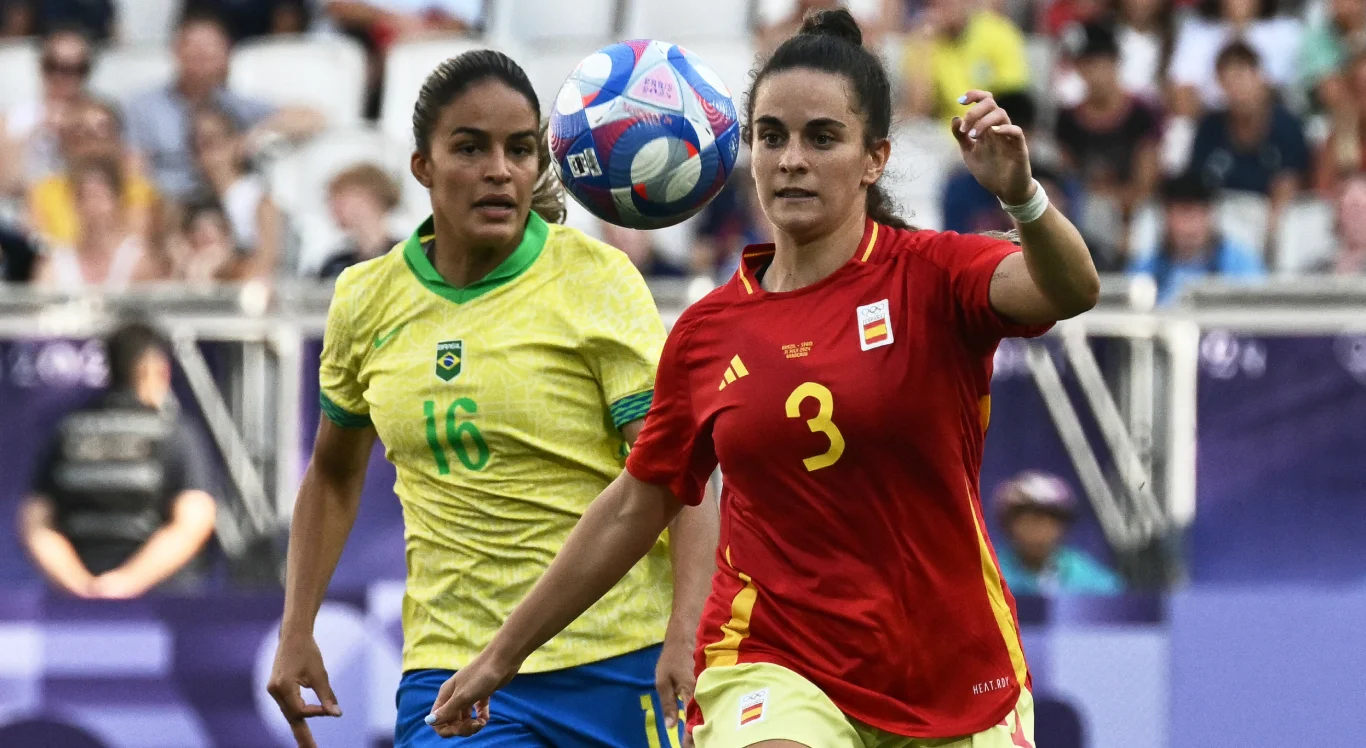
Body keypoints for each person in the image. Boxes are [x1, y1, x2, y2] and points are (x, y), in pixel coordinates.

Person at [429, 9, 1100, 747]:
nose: (791, 160)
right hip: (773, 659)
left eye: (822, 138)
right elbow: (636, 505)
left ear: (874, 158)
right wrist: (501, 657)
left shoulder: (935, 274)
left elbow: (1069, 290)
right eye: (771, 136)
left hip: (950, 667)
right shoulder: (707, 333)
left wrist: (1022, 197)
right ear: (744, 150)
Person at [265, 49, 718, 748]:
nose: (499, 170)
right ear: (422, 167)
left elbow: (677, 478)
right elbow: (332, 472)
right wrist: (297, 627)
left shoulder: (598, 280)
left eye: (519, 149)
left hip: (617, 658)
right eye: (470, 148)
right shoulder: (365, 299)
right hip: (453, 668)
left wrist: (686, 629)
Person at [18, 321, 218, 598]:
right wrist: (125, 582)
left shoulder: (66, 431)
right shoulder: (176, 434)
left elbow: (37, 524)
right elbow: (194, 520)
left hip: (78, 614)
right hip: (163, 611)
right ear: (154, 369)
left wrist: (81, 584)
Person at [124, 9, 325, 203]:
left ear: (226, 54)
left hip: (221, 202)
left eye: (210, 46)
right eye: (193, 45)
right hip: (167, 203)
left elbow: (313, 118)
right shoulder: (144, 106)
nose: (201, 53)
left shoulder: (232, 103)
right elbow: (134, 168)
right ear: (175, 50)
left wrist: (247, 139)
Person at [1187, 42, 1309, 249]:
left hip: (1267, 211)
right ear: (1220, 85)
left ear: (1259, 77)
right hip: (1221, 211)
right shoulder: (1209, 127)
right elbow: (1198, 184)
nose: (1238, 88)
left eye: (1243, 77)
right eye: (1229, 80)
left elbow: (1288, 183)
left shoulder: (1285, 125)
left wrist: (1272, 226)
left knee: (1290, 226)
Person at [26, 97, 160, 248]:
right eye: (79, 133)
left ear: (117, 140)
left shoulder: (139, 190)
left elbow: (137, 242)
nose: (91, 143)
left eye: (101, 132)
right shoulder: (44, 191)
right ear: (64, 142)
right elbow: (39, 244)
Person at [1129, 174, 1264, 304]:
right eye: (1182, 216)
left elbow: (1258, 311)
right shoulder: (1147, 267)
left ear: (1210, 216)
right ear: (1166, 220)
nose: (1190, 228)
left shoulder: (1240, 261)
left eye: (1197, 216)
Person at [31, 157, 161, 290]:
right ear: (75, 204)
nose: (93, 207)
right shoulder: (58, 262)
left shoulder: (136, 259)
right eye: (86, 197)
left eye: (100, 197)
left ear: (116, 201)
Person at [993, 471, 1125, 596]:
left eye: (1049, 523)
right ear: (1008, 526)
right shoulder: (987, 576)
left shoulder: (1094, 581)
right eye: (1030, 521)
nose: (1039, 532)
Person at [189, 105, 282, 280]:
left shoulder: (258, 198)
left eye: (212, 141)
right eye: (196, 144)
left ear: (236, 142)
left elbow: (267, 260)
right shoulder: (192, 205)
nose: (206, 153)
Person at [900, 0, 1029, 123]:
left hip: (990, 129)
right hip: (943, 133)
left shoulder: (1000, 33)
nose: (945, 4)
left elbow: (1014, 102)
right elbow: (918, 110)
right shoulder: (924, 40)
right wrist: (924, 47)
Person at [0, 25, 92, 196]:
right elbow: (5, 186)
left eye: (76, 68)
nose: (63, 77)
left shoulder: (100, 121)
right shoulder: (14, 119)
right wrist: (36, 134)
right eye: (53, 65)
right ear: (42, 67)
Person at [316, 162, 404, 279]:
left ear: (370, 198)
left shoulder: (408, 259)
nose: (333, 207)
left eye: (341, 198)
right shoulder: (335, 265)